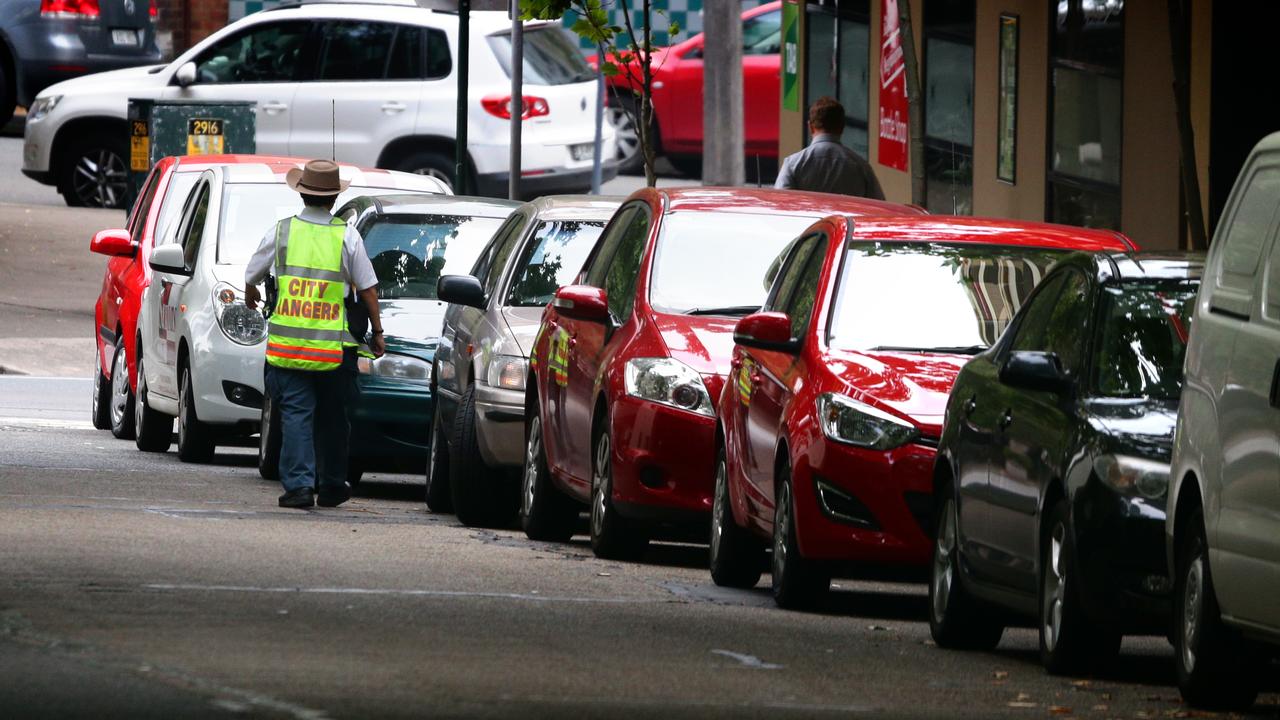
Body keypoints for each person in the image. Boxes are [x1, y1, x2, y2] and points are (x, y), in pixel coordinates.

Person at [244, 159, 386, 509]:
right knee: (334, 418)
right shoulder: (346, 235)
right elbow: (368, 289)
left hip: (289, 349)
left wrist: (252, 300)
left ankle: (299, 488)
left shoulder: (281, 232)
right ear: (334, 199)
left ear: (302, 195)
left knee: (295, 414)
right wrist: (378, 332)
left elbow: (251, 274)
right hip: (333, 351)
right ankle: (333, 484)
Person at [775, 96, 885, 199]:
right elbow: (880, 208)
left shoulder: (793, 164)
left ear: (810, 127)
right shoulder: (861, 167)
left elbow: (781, 204)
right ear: (842, 128)